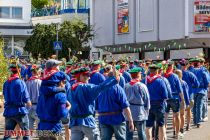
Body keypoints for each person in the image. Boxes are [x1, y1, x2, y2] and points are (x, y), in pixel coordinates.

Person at [68, 67, 121, 140]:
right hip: (87, 121)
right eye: (87, 75)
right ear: (80, 76)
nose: (89, 78)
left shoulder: (70, 89)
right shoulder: (86, 87)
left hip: (74, 123)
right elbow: (100, 87)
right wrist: (114, 79)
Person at [96, 67, 134, 140]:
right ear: (117, 77)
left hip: (103, 119)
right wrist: (130, 121)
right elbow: (125, 106)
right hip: (117, 118)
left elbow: (96, 107)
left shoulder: (100, 88)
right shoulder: (118, 88)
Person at [36, 59, 71, 140]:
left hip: (42, 128)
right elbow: (62, 114)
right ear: (60, 81)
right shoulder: (60, 95)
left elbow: (38, 111)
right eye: (64, 82)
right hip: (54, 129)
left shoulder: (42, 93)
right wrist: (68, 107)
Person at [3, 63, 32, 140]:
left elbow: (4, 96)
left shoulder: (6, 83)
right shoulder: (21, 82)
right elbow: (27, 100)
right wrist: (28, 108)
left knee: (7, 135)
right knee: (26, 134)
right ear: (19, 70)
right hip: (20, 111)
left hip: (9, 111)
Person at [142, 64, 168, 140]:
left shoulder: (144, 80)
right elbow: (165, 95)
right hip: (159, 105)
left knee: (148, 126)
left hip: (147, 105)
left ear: (149, 71)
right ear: (157, 71)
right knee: (161, 125)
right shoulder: (160, 80)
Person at [124, 67, 150, 140]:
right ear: (138, 75)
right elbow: (147, 100)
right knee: (141, 133)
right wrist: (147, 111)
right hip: (139, 112)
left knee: (129, 134)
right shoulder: (142, 86)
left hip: (128, 112)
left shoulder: (126, 86)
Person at [164, 60, 185, 139]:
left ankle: (164, 134)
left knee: (165, 117)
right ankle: (177, 134)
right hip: (174, 98)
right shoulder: (175, 76)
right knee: (177, 116)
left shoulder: (162, 75)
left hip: (165, 98)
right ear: (172, 67)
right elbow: (180, 90)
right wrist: (183, 100)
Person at [180, 59, 199, 131]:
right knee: (188, 111)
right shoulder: (191, 74)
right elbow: (197, 84)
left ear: (180, 65)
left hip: (180, 96)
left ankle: (181, 127)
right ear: (187, 65)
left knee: (181, 113)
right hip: (190, 95)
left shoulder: (177, 74)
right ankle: (188, 125)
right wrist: (191, 87)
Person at [189, 58, 209, 128]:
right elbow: (206, 80)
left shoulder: (191, 70)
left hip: (193, 90)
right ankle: (198, 122)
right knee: (199, 106)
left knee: (194, 106)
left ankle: (195, 120)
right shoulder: (203, 70)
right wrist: (206, 87)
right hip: (201, 90)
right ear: (199, 63)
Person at [26, 64, 42, 130]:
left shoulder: (27, 82)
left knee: (29, 128)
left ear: (32, 72)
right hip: (38, 106)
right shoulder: (41, 82)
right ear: (38, 71)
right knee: (39, 127)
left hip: (28, 106)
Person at [174, 69, 190, 136]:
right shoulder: (183, 83)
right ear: (181, 75)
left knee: (175, 116)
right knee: (182, 115)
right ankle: (181, 129)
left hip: (174, 100)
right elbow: (186, 93)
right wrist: (187, 102)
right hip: (181, 100)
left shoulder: (173, 82)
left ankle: (174, 130)